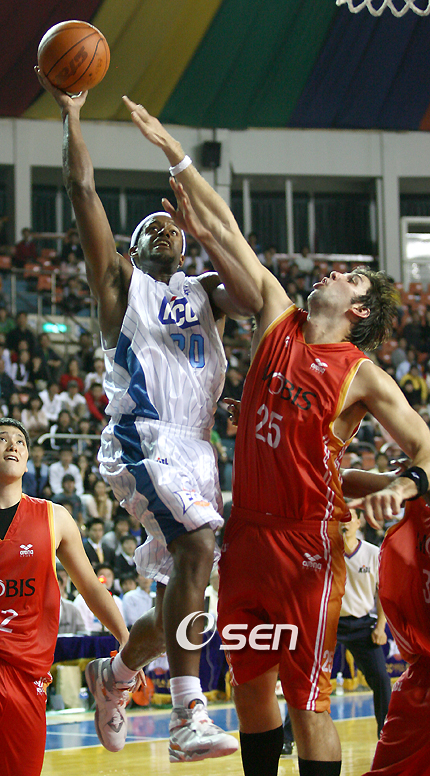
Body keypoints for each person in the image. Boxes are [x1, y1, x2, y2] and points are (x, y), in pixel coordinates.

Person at [115, 99, 430, 776]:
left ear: (360, 308)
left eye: (348, 276)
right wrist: (173, 152)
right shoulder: (276, 318)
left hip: (306, 547)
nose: (332, 272)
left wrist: (404, 485)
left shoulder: (362, 373)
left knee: (308, 703)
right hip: (247, 537)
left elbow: (425, 445)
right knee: (252, 691)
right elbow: (224, 228)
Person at [37, 69, 242, 763]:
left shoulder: (207, 291)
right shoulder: (121, 287)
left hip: (197, 451)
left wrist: (203, 221)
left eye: (171, 227)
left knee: (184, 598)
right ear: (129, 249)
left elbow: (250, 288)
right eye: (149, 227)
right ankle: (188, 716)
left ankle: (115, 674)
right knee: (198, 549)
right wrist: (72, 114)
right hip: (142, 437)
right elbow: (82, 192)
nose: (163, 231)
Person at [0, 417, 130, 776]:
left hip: (26, 670)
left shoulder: (54, 517)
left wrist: (125, 637)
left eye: (20, 442)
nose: (12, 445)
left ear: (28, 460)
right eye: (2, 438)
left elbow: (90, 586)